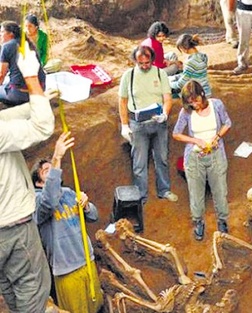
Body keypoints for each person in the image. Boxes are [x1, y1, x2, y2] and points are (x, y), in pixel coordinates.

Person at [0, 41, 53, 313]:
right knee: (32, 290)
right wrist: (31, 77)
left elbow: (6, 122)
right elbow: (43, 127)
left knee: (8, 286)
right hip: (13, 228)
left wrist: (40, 99)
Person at [31, 132, 104, 313]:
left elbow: (94, 216)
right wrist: (56, 158)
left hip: (87, 261)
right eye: (47, 171)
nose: (54, 171)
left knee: (96, 307)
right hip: (66, 270)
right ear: (39, 183)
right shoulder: (37, 201)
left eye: (53, 168)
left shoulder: (70, 193)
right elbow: (49, 201)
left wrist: (86, 205)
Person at [172, 80, 232, 241]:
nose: (195, 105)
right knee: (196, 193)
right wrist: (194, 141)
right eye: (191, 103)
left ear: (202, 94)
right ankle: (198, 222)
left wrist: (217, 137)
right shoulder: (186, 113)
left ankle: (222, 221)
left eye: (196, 101)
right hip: (195, 158)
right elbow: (176, 133)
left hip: (216, 154)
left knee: (220, 190)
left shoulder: (216, 105)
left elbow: (227, 123)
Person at [118, 45, 178, 203]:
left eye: (147, 63)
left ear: (152, 60)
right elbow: (122, 102)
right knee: (139, 163)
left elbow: (167, 98)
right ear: (135, 61)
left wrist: (165, 113)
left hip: (158, 123)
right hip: (138, 125)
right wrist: (124, 125)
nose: (144, 66)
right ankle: (141, 196)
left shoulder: (160, 74)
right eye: (141, 63)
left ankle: (164, 190)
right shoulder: (128, 76)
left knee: (162, 158)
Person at [0, 21, 46, 107]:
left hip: (19, 95)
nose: (0, 34)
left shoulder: (7, 47)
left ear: (11, 34)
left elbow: (1, 75)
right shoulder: (29, 44)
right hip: (39, 91)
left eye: (2, 32)